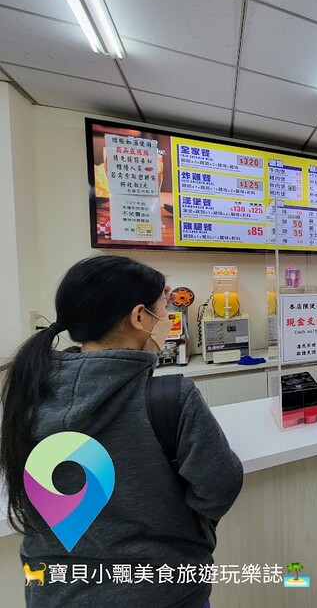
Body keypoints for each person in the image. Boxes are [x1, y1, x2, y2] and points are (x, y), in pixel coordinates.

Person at [0, 255, 243, 607]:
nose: (168, 320)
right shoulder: (169, 398)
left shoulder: (26, 394)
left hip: (56, 593)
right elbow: (219, 487)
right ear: (140, 317)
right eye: (165, 308)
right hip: (162, 592)